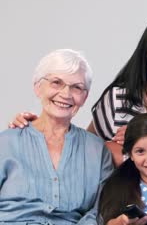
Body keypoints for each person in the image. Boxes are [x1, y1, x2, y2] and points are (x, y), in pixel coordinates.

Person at [10, 12, 147, 166]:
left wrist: (144, 138)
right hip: (127, 195)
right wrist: (37, 128)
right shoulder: (119, 99)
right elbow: (84, 148)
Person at [0, 49, 113, 224]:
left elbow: (101, 210)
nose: (66, 94)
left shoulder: (97, 151)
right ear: (38, 87)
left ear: (85, 96)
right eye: (56, 83)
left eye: (77, 87)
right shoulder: (6, 142)